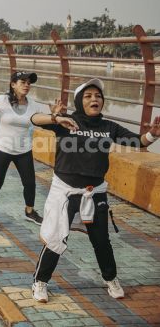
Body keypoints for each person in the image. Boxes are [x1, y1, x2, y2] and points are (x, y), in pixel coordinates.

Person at [29, 78, 160, 303]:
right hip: (66, 192)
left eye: (98, 96)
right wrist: (55, 117)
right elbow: (34, 119)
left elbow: (138, 141)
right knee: (56, 238)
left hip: (95, 191)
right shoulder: (66, 121)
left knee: (101, 240)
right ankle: (40, 282)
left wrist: (154, 134)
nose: (94, 99)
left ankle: (111, 279)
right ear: (80, 101)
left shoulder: (108, 127)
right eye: (88, 96)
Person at [0, 72, 47, 231]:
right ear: (13, 84)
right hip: (2, 148)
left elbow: (44, 121)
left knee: (30, 183)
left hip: (24, 149)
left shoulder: (34, 105)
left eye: (29, 83)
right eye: (23, 82)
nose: (27, 85)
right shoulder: (2, 100)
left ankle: (29, 212)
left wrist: (57, 115)